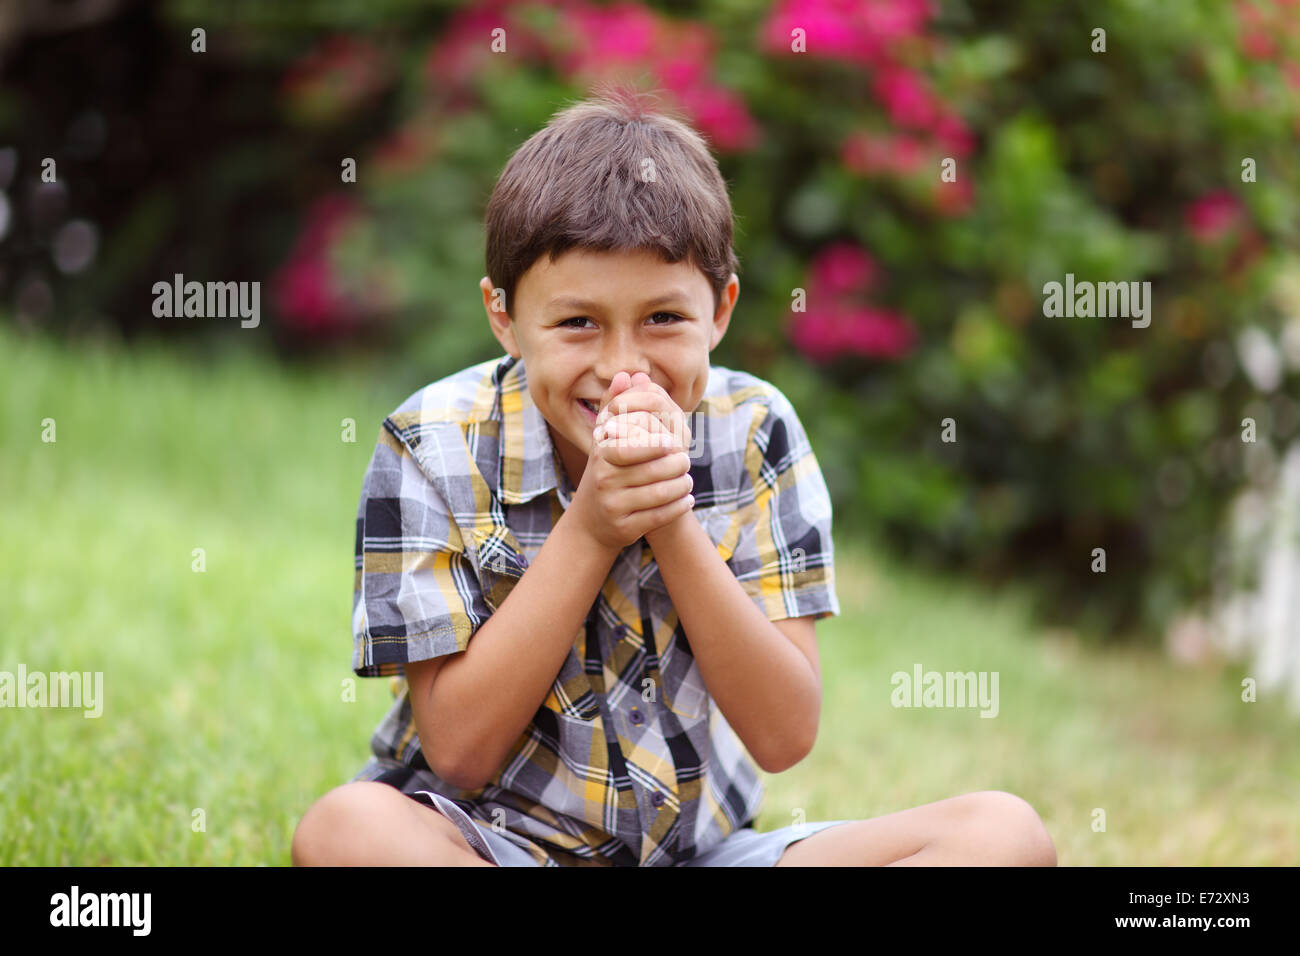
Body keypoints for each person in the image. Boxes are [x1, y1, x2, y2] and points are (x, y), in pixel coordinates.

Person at [292, 85, 1057, 867]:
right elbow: (456, 751)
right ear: (504, 317)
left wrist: (670, 520)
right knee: (347, 831)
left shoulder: (755, 431)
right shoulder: (433, 443)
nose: (623, 367)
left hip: (703, 856)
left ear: (720, 310)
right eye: (577, 322)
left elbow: (784, 734)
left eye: (663, 318)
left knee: (1003, 834)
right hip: (494, 846)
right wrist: (591, 528)